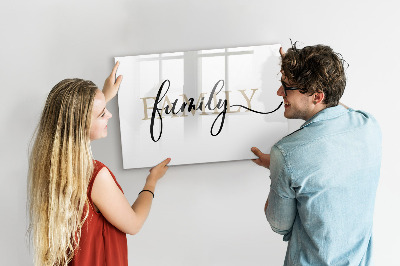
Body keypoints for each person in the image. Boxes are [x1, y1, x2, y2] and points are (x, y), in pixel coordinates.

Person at [27, 62, 171, 266]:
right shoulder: (95, 176)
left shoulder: (50, 165)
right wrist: (151, 181)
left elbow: (76, 118)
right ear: (81, 124)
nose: (109, 115)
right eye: (102, 113)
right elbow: (134, 224)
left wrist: (104, 96)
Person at [251, 43, 382, 265]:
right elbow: (335, 106)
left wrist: (278, 168)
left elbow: (279, 224)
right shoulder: (369, 125)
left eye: (287, 87)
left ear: (317, 96)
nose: (279, 92)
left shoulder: (286, 153)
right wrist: (297, 71)